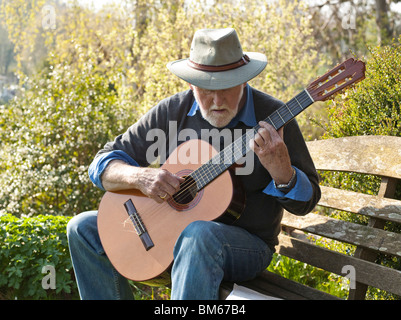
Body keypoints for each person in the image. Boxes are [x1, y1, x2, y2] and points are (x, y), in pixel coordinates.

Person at [67, 28, 321, 300]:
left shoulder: (273, 118)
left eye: (226, 88)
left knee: (199, 234)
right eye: (206, 90)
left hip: (248, 246)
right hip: (170, 236)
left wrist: (282, 172)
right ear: (191, 84)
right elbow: (102, 164)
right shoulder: (171, 113)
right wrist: (139, 177)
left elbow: (307, 202)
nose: (217, 101)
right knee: (82, 228)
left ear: (244, 81)